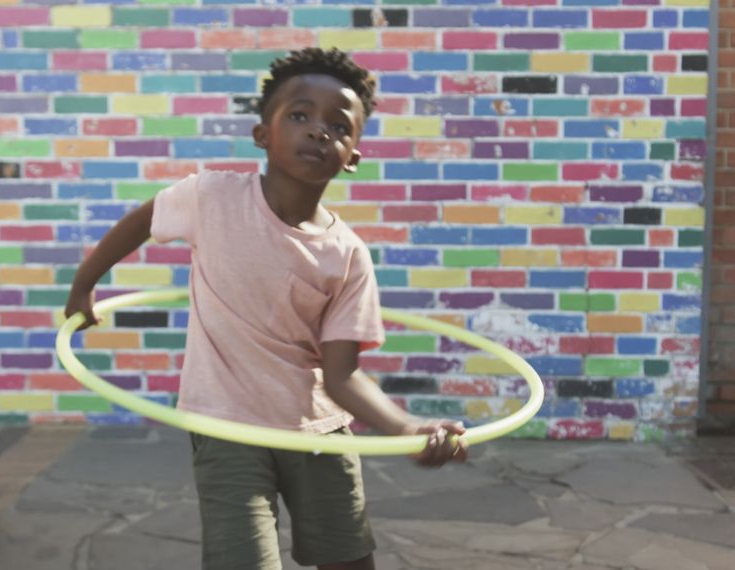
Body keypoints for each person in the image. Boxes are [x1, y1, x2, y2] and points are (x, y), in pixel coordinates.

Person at [64, 47, 467, 570]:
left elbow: (343, 374)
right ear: (262, 134)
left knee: (349, 560)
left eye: (338, 126)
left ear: (353, 155)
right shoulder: (210, 198)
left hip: (320, 433)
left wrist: (404, 427)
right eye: (299, 115)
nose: (319, 131)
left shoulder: (347, 256)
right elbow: (141, 222)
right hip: (228, 431)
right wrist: (84, 286)